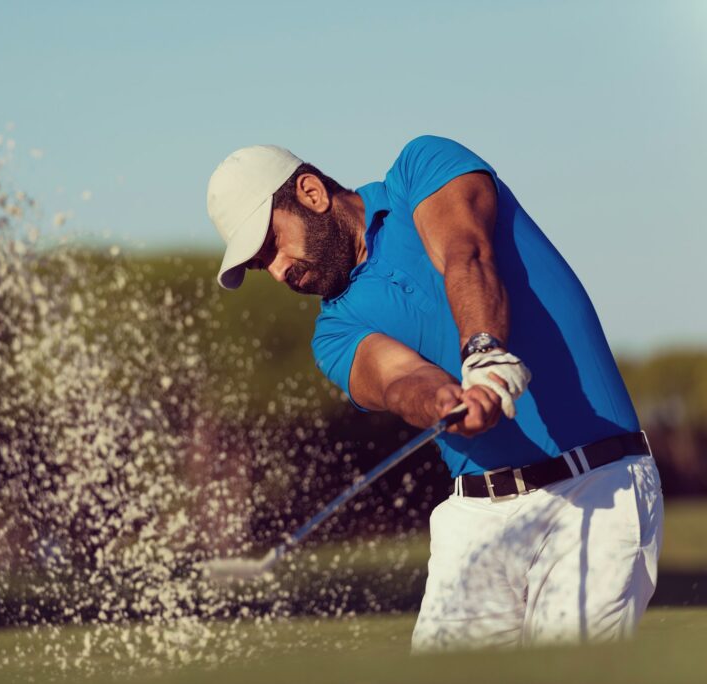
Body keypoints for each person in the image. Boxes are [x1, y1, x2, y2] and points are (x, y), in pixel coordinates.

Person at [205, 136, 664, 651]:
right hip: (477, 518)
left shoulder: (421, 170)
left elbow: (465, 252)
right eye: (260, 265)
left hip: (597, 489)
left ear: (310, 193)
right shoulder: (332, 333)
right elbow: (399, 380)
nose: (277, 270)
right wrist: (446, 401)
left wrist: (484, 352)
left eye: (271, 245)